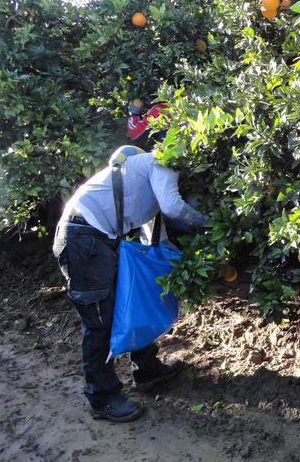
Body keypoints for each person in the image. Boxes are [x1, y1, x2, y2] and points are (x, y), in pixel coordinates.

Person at [52, 146, 207, 422]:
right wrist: (211, 226)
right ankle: (102, 399)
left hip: (95, 239)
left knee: (132, 299)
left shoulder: (140, 180)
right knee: (100, 321)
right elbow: (173, 208)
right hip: (82, 239)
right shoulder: (162, 162)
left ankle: (146, 370)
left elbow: (155, 240)